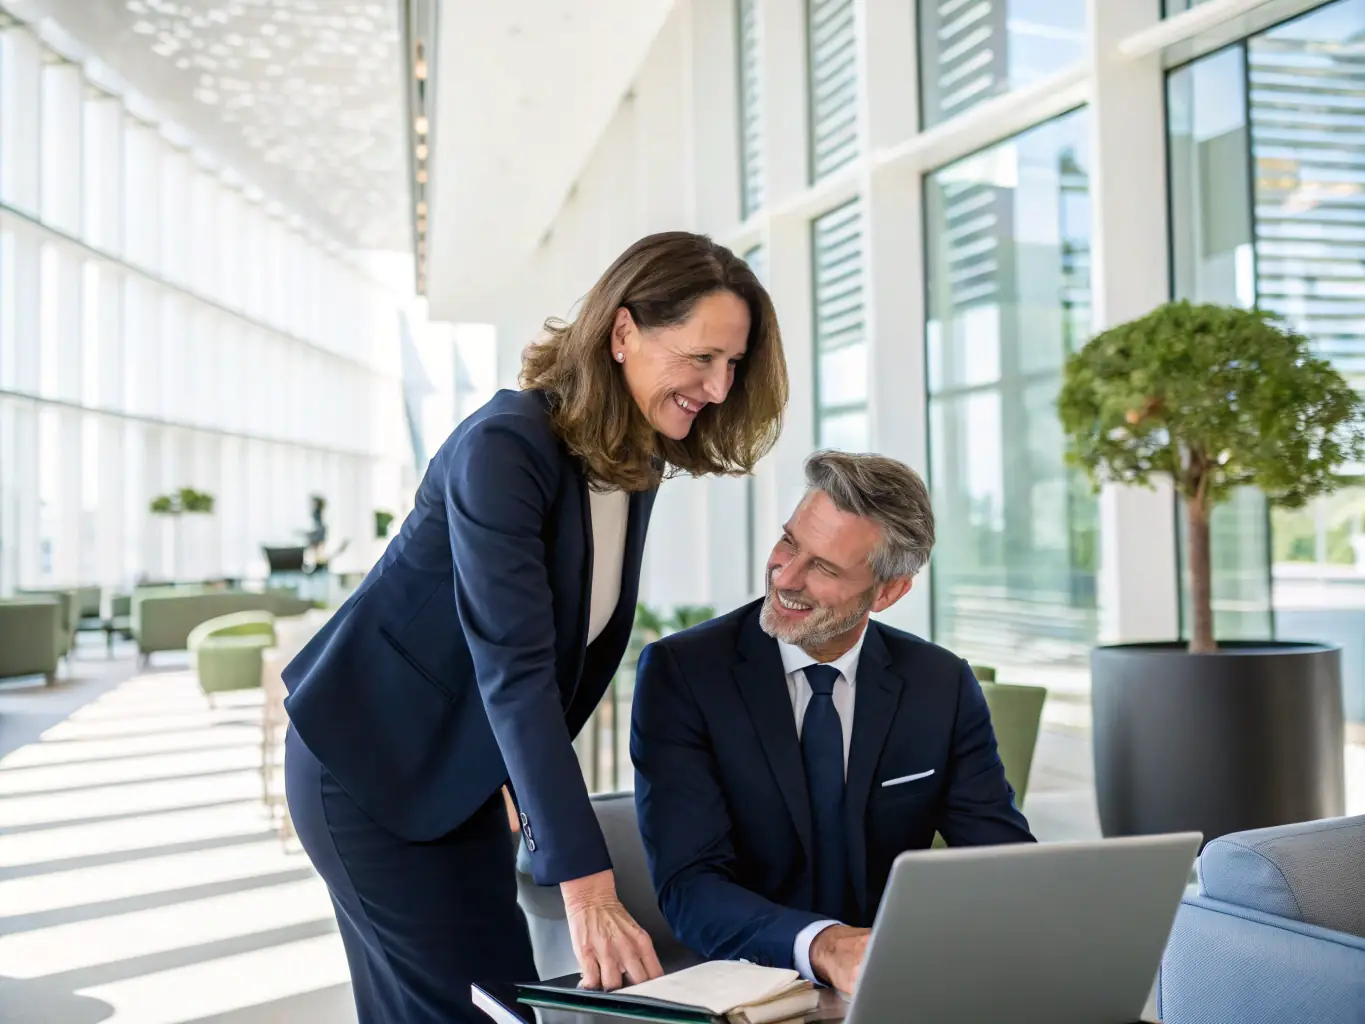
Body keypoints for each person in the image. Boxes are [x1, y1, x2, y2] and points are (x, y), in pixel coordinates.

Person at [282, 231, 788, 1023]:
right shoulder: (505, 445)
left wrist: (520, 786)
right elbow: (513, 664)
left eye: (732, 365)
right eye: (701, 358)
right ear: (623, 333)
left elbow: (563, 657)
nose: (719, 387)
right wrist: (586, 889)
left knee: (478, 1003)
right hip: (368, 769)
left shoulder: (635, 461)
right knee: (477, 1010)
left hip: (454, 778)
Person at [631, 451, 1034, 997]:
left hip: (892, 986)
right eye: (790, 542)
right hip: (746, 987)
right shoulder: (682, 675)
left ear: (888, 593)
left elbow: (1003, 864)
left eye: (823, 567)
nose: (786, 576)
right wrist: (824, 946)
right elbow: (690, 885)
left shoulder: (941, 683)